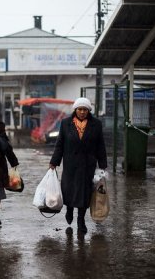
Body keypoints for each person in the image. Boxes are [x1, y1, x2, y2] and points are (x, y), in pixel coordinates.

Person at [49, 97, 107, 234]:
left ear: (88, 111)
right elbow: (60, 145)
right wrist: (54, 162)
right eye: (80, 109)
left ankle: (81, 221)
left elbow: (100, 146)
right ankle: (69, 210)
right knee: (69, 191)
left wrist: (102, 164)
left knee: (85, 193)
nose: (82, 112)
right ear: (75, 110)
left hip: (88, 165)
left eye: (85, 109)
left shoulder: (96, 124)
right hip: (71, 164)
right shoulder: (65, 123)